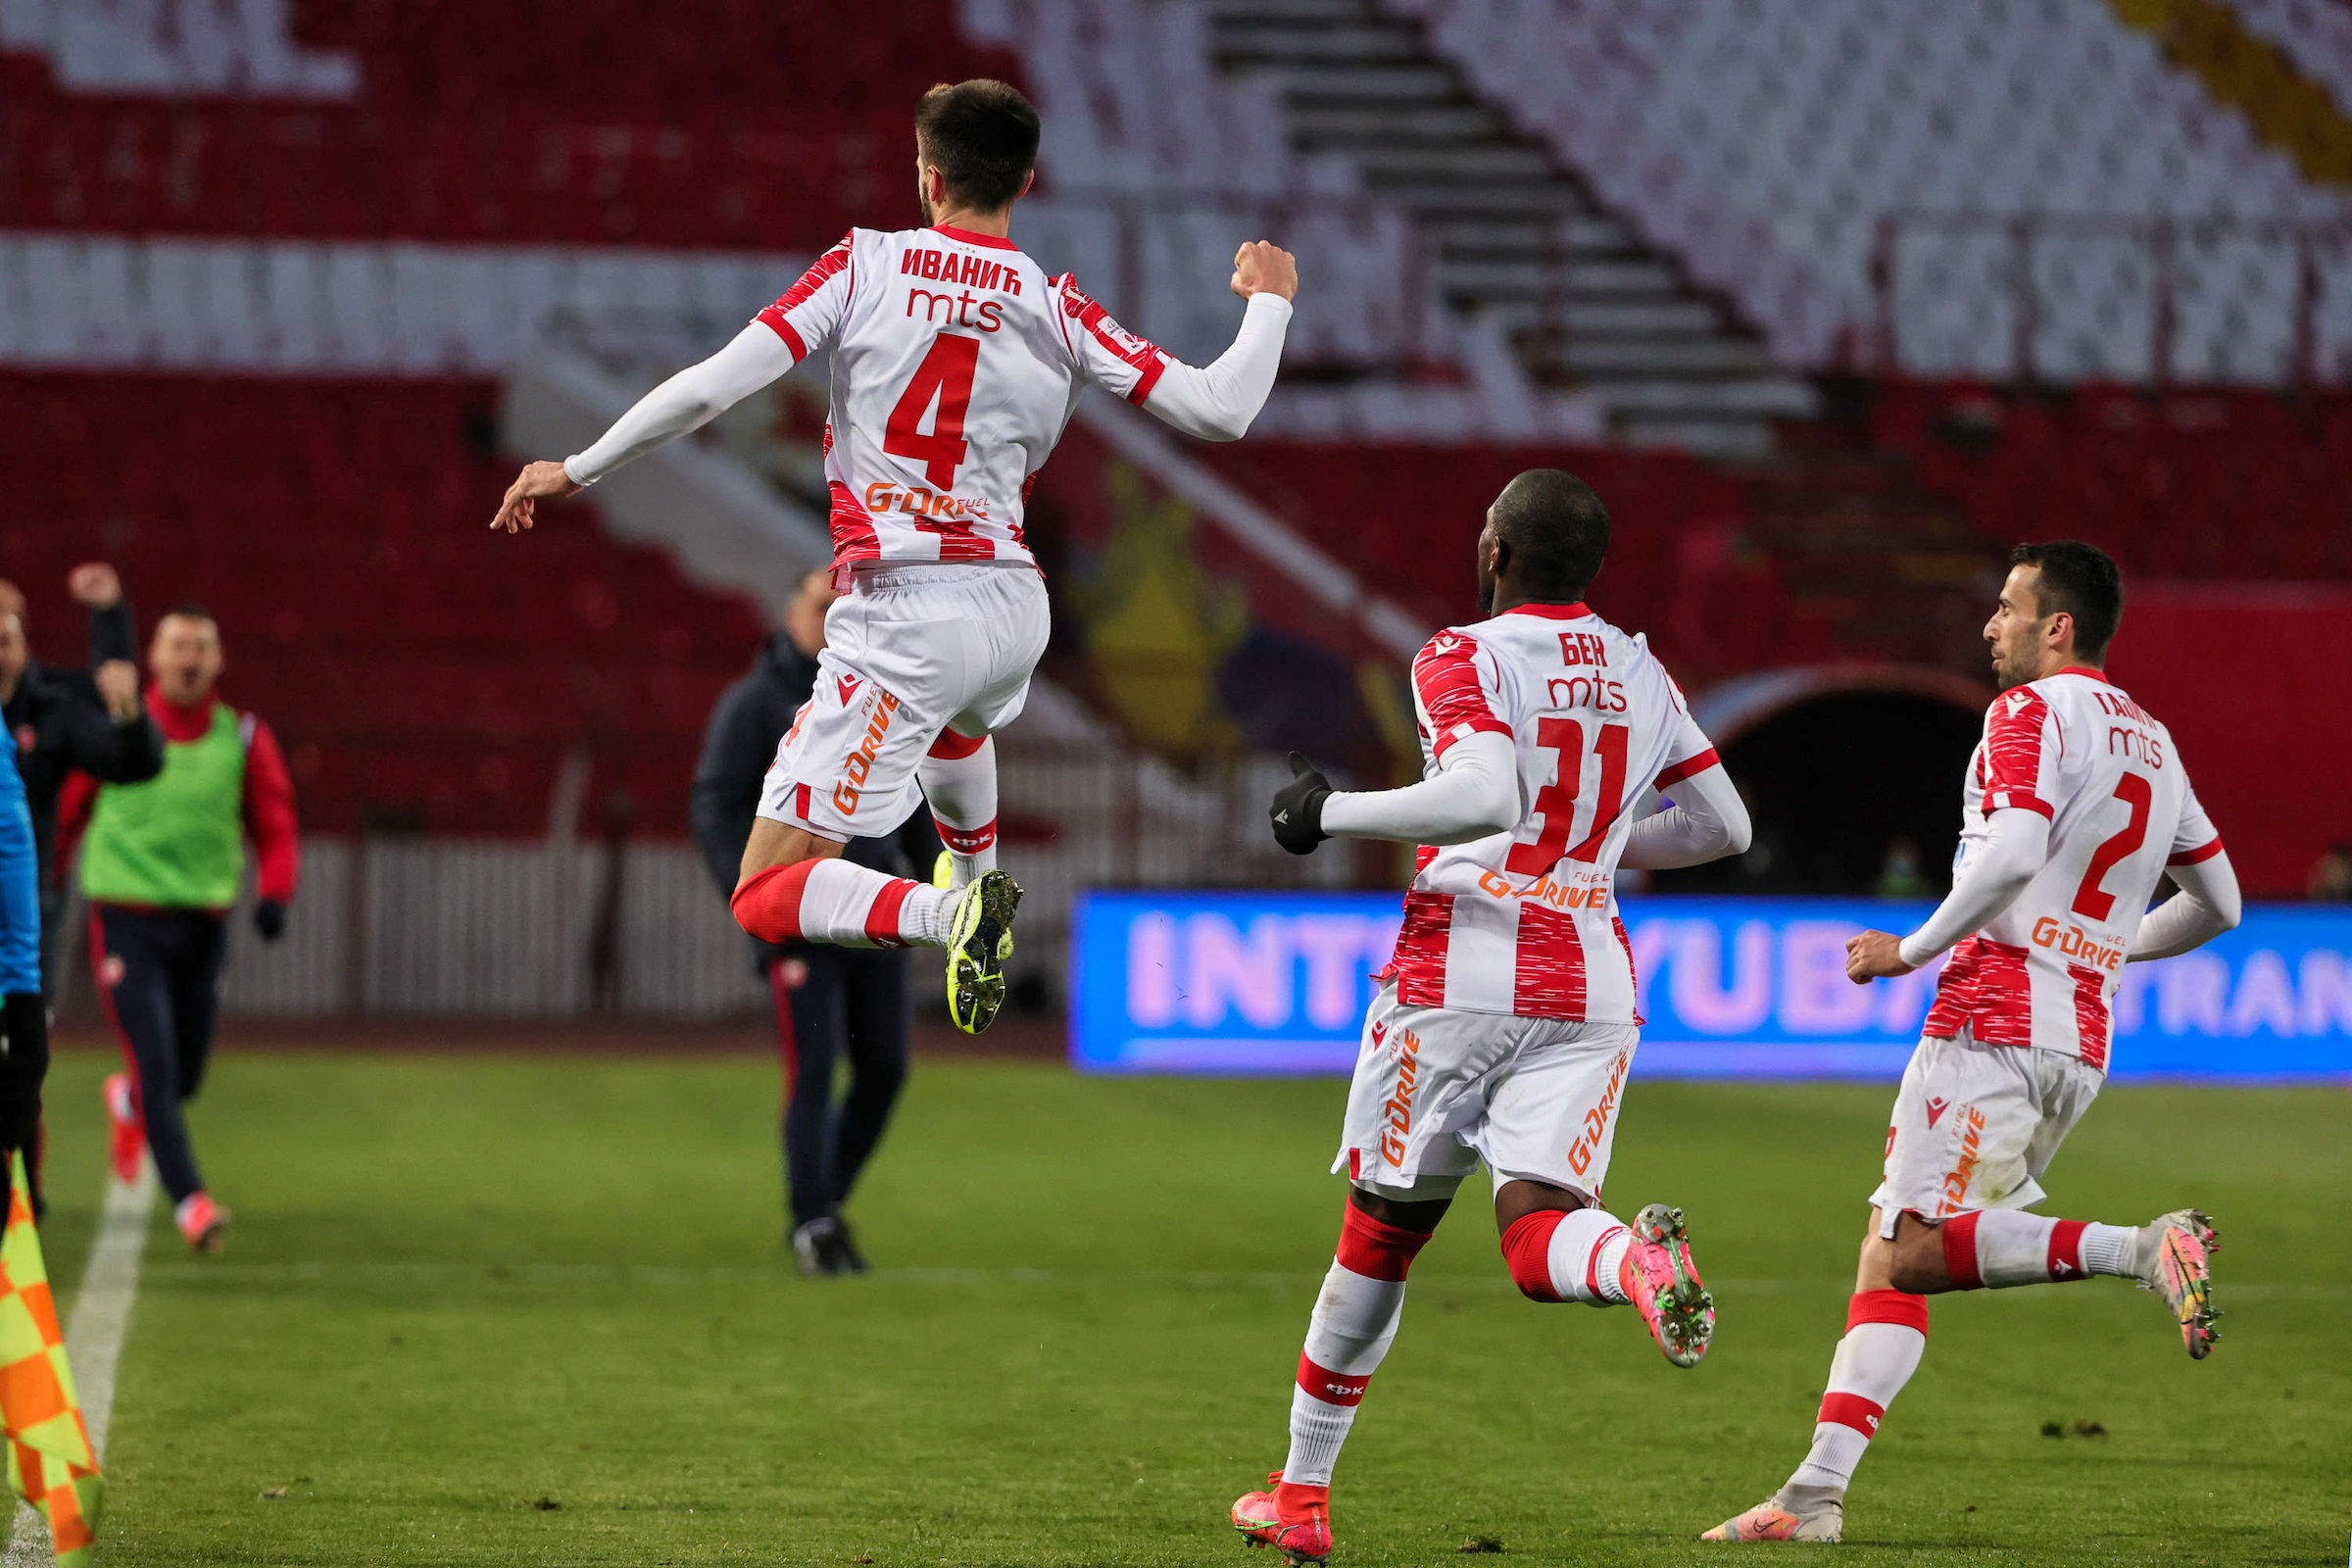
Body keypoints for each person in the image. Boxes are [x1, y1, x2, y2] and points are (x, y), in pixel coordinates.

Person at [493, 79, 1297, 1035]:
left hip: (905, 608)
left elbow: (712, 388)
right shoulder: (1059, 306)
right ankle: (979, 877)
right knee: (959, 721)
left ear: (929, 178)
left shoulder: (862, 265)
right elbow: (1220, 409)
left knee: (766, 890)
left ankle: (953, 916)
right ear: (1025, 182)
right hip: (1015, 608)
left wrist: (579, 467)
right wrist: (1270, 303)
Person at [1231, 471, 1754, 1567]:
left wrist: (1326, 811)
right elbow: (1722, 827)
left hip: (1460, 971)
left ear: (1497, 551)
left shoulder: (1461, 655)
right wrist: (1595, 847)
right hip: (1590, 984)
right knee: (1535, 1235)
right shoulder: (1641, 668)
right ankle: (1634, 1263)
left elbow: (1484, 796)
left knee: (1381, 1235)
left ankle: (1303, 1496)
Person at [1703, 542, 2241, 1545]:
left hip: (1994, 1015)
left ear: (2058, 627)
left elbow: (2013, 854)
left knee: (1908, 1251)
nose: (1991, 626)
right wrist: (2101, 946)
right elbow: (2221, 903)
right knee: (1889, 1250)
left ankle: (2140, 1249)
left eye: (2007, 608)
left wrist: (1909, 949)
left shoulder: (2028, 714)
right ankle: (1812, 1498)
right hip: (2080, 1036)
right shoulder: (2153, 743)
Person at [691, 569, 942, 1277]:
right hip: (802, 922)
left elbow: (911, 798)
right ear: (793, 614)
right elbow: (714, 805)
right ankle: (815, 1221)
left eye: (843, 605)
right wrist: (753, 896)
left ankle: (822, 1208)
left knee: (885, 1070)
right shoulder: (756, 703)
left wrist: (940, 886)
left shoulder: (876, 695)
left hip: (876, 912)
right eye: (824, 604)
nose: (835, 615)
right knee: (815, 1068)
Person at [59, 608, 299, 1251]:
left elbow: (275, 824)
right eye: (178, 646)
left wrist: (275, 894)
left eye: (201, 647)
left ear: (218, 661)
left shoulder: (242, 737)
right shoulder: (118, 729)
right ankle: (192, 1201)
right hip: (125, 920)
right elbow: (67, 809)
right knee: (158, 1065)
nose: (189, 658)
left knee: (184, 1078)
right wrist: (46, 881)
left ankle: (127, 1102)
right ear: (155, 659)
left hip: (202, 927)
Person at [0, 565, 167, 986]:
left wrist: (129, 713)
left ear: (23, 647)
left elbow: (131, 760)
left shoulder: (50, 708)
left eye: (4, 639)